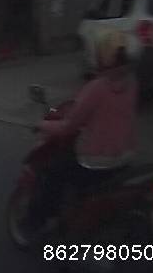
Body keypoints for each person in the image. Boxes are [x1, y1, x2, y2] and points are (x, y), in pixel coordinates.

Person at [26, 27, 137, 231]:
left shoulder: (96, 88)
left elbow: (68, 126)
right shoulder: (132, 83)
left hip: (94, 163)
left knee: (53, 173)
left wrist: (42, 124)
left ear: (102, 55)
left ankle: (38, 223)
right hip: (125, 157)